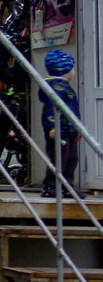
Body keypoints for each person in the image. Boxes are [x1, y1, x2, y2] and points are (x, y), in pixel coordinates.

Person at [38, 49, 81, 198]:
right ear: (67, 69)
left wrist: (78, 129)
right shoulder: (56, 87)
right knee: (59, 158)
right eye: (72, 67)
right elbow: (51, 108)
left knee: (71, 158)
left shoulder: (64, 86)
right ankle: (51, 186)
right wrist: (52, 126)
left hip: (69, 129)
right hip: (59, 130)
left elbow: (73, 110)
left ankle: (66, 185)